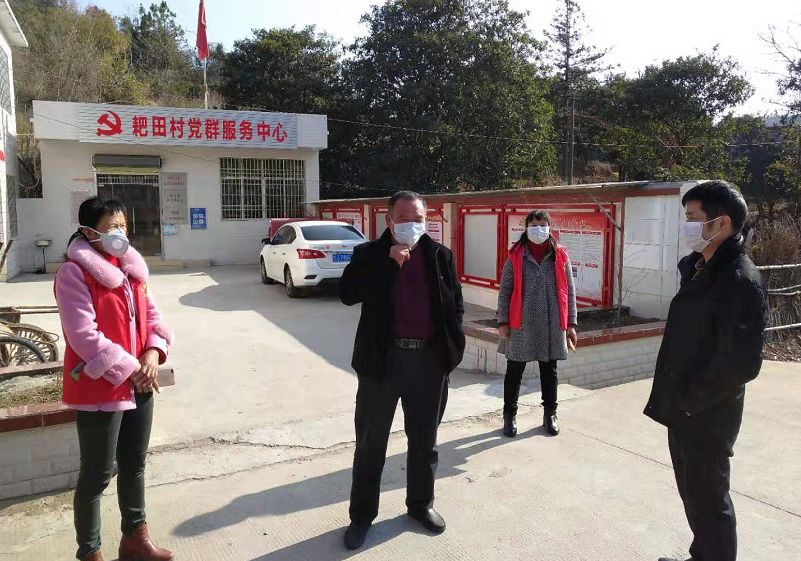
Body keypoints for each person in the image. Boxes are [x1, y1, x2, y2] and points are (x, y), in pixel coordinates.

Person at [644, 181, 766, 561]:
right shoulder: (699, 268)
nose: (687, 227)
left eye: (693, 218)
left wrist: (690, 399)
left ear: (721, 224)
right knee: (694, 496)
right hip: (684, 407)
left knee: (710, 501)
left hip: (707, 413)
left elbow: (742, 362)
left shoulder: (740, 280)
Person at [340, 190, 465, 550]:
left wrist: (450, 350)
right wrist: (389, 264)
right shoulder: (369, 254)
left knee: (425, 442)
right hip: (383, 363)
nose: (412, 225)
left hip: (429, 363)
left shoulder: (439, 256)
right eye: (405, 218)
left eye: (419, 219)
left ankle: (420, 505)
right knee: (370, 445)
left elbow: (455, 305)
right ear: (390, 220)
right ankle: (362, 516)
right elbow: (348, 293)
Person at [55, 198, 174, 561]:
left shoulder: (131, 268)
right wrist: (131, 367)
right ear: (88, 231)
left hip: (140, 381)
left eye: (123, 226)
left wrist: (152, 352)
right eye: (111, 228)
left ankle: (135, 540)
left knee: (134, 464)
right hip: (100, 387)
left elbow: (152, 316)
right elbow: (83, 335)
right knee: (97, 474)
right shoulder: (74, 272)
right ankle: (89, 552)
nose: (119, 234)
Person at [496, 210, 577, 437]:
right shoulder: (516, 256)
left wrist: (571, 323)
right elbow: (505, 291)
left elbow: (569, 291)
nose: (538, 229)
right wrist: (502, 320)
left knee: (549, 371)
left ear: (549, 228)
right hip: (521, 322)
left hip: (552, 322)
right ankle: (509, 415)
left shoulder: (560, 255)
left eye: (542, 224)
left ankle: (550, 414)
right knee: (514, 370)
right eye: (533, 225)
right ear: (526, 228)